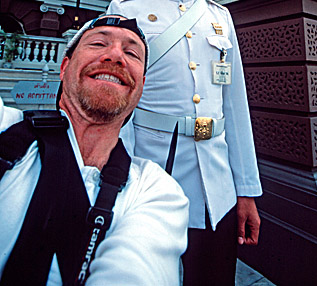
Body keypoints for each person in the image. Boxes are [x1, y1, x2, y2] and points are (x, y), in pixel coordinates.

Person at [107, 0, 262, 286]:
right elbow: (115, 104)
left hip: (217, 187)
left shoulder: (220, 16)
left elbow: (236, 106)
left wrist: (246, 190)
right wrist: (112, 181)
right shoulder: (128, 10)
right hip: (151, 175)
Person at [0, 15, 188, 285]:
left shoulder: (156, 191)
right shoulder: (5, 128)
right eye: (99, 44)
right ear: (64, 67)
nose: (115, 56)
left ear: (141, 86)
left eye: (131, 52)